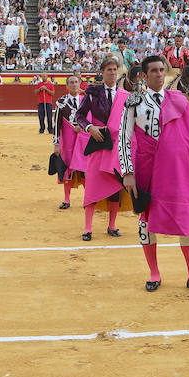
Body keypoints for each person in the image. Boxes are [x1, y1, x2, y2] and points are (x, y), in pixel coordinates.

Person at [118, 55, 189, 293]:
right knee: (147, 221)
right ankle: (154, 273)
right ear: (144, 75)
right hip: (147, 168)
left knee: (186, 215)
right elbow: (124, 139)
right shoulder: (134, 102)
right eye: (153, 70)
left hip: (176, 171)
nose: (159, 74)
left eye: (161, 70)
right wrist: (127, 172)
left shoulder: (178, 100)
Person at [75, 57, 131, 241]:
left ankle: (112, 225)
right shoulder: (92, 92)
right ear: (102, 72)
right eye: (109, 69)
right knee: (92, 186)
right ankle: (87, 228)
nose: (113, 72)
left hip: (115, 147)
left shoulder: (125, 95)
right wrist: (90, 128)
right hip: (98, 145)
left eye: (115, 69)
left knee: (115, 187)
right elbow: (79, 116)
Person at [53, 74, 87, 210]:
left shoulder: (86, 101)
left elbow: (90, 119)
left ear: (80, 84)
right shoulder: (61, 102)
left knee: (84, 170)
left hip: (83, 141)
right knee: (67, 170)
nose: (74, 85)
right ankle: (66, 200)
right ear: (67, 86)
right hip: (67, 142)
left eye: (76, 82)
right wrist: (56, 143)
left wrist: (83, 127)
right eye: (71, 83)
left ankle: (88, 199)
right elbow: (57, 124)